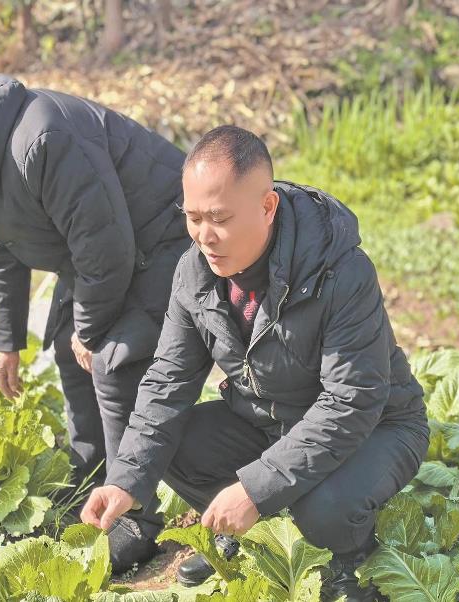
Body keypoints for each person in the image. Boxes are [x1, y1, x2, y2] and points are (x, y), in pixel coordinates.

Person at [80, 125, 430, 601]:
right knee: (173, 445)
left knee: (323, 507)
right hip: (270, 419)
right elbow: (168, 380)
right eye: (193, 217)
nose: (204, 235)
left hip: (379, 425)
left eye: (219, 218)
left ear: (267, 208)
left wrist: (254, 489)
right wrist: (126, 478)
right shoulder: (194, 272)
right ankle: (250, 536)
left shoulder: (338, 270)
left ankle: (348, 562)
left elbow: (352, 402)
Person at [0, 74, 190, 571]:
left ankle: (136, 515)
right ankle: (91, 468)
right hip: (106, 252)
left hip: (168, 238)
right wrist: (8, 342)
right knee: (68, 349)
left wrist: (93, 330)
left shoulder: (42, 138)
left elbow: (105, 247)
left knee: (111, 360)